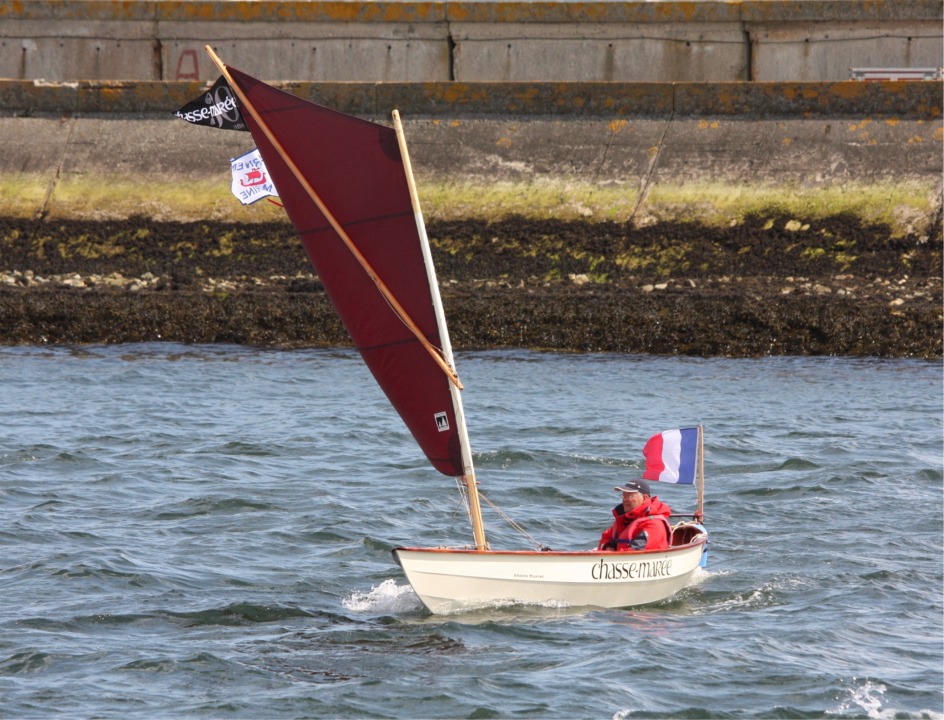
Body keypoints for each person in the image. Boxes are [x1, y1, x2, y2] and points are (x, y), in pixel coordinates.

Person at [597, 478, 673, 552]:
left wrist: (611, 555)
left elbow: (634, 554)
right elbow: (606, 537)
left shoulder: (654, 524)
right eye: (624, 496)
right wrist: (607, 547)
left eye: (630, 495)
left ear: (645, 498)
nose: (625, 499)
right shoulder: (624, 519)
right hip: (617, 561)